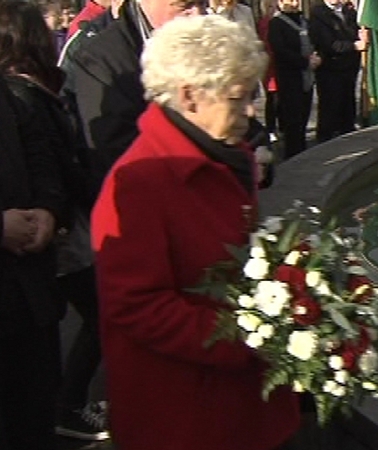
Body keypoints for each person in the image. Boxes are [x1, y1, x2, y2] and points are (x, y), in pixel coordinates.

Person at [91, 15, 300, 450]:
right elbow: (138, 306)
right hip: (188, 411)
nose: (249, 114)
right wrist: (250, 335)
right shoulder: (136, 184)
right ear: (189, 97)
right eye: (238, 99)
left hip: (236, 398)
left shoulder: (223, 154)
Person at [0, 3, 69, 449]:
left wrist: (48, 209)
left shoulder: (8, 93)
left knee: (34, 416)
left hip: (27, 295)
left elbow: (40, 156)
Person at [71, 0, 204, 194]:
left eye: (202, 3)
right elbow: (114, 151)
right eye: (184, 6)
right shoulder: (101, 60)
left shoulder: (209, 41)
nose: (198, 15)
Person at [268, 0, 320, 158]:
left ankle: (303, 150)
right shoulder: (276, 23)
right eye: (290, 0)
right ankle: (293, 154)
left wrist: (316, 56)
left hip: (307, 77)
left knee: (304, 116)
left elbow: (315, 41)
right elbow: (280, 50)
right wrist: (304, 62)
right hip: (289, 77)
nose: (295, 3)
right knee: (293, 120)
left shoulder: (305, 20)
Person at [309, 0, 365, 143]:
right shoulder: (318, 14)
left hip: (349, 68)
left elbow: (355, 32)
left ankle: (348, 135)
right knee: (330, 109)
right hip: (330, 69)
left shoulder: (349, 12)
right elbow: (328, 44)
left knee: (348, 106)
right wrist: (353, 46)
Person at [257, 0, 279, 144]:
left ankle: (278, 126)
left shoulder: (278, 22)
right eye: (270, 7)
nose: (273, 9)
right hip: (270, 64)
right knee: (272, 98)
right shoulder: (265, 23)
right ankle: (271, 128)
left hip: (278, 64)